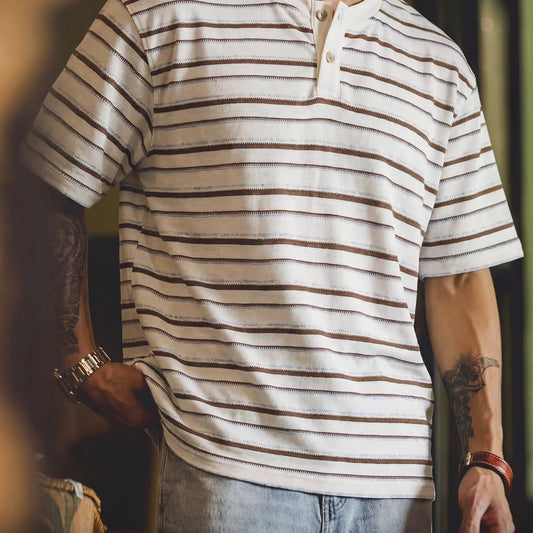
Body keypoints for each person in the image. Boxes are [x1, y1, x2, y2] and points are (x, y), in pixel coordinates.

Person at [21, 0, 522, 531]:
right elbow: (46, 183)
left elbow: (459, 274)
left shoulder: (439, 62)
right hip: (224, 469)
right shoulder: (158, 18)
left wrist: (486, 457)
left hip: (396, 487)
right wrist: (80, 365)